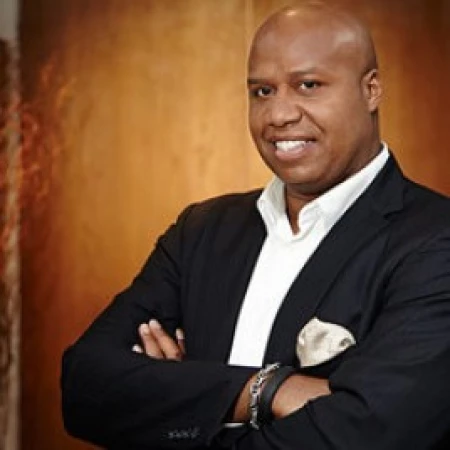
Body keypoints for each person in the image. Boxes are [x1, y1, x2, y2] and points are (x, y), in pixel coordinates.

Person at [61, 2, 450, 449]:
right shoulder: (201, 232)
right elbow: (84, 387)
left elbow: (369, 435)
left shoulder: (434, 240)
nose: (279, 115)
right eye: (262, 91)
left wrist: (180, 394)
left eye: (308, 85)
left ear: (371, 90)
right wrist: (269, 391)